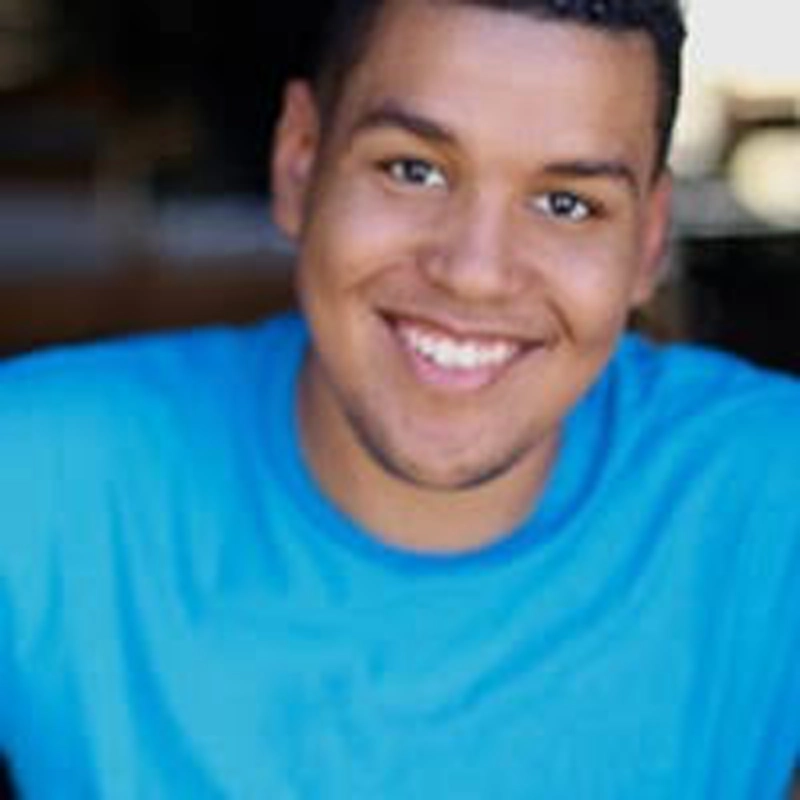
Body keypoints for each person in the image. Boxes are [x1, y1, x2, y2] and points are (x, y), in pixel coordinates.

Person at [0, 0, 798, 797]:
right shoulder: (38, 479)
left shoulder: (769, 496)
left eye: (567, 203)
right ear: (299, 164)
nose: (476, 271)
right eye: (413, 169)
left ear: (649, 241)